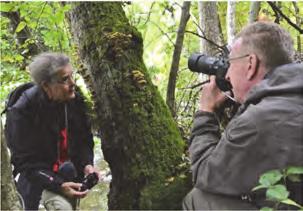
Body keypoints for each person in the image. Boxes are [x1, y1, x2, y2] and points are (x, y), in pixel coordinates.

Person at [183, 22, 303, 210]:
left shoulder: (258, 120)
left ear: (251, 64)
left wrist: (206, 111)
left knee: (197, 198)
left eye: (230, 63)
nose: (228, 74)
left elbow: (204, 173)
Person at [5, 52, 99, 210]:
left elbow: (84, 139)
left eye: (72, 76)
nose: (72, 83)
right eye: (64, 79)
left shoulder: (74, 100)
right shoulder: (22, 111)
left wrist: (87, 164)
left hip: (66, 173)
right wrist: (58, 185)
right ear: (46, 86)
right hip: (35, 177)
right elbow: (24, 163)